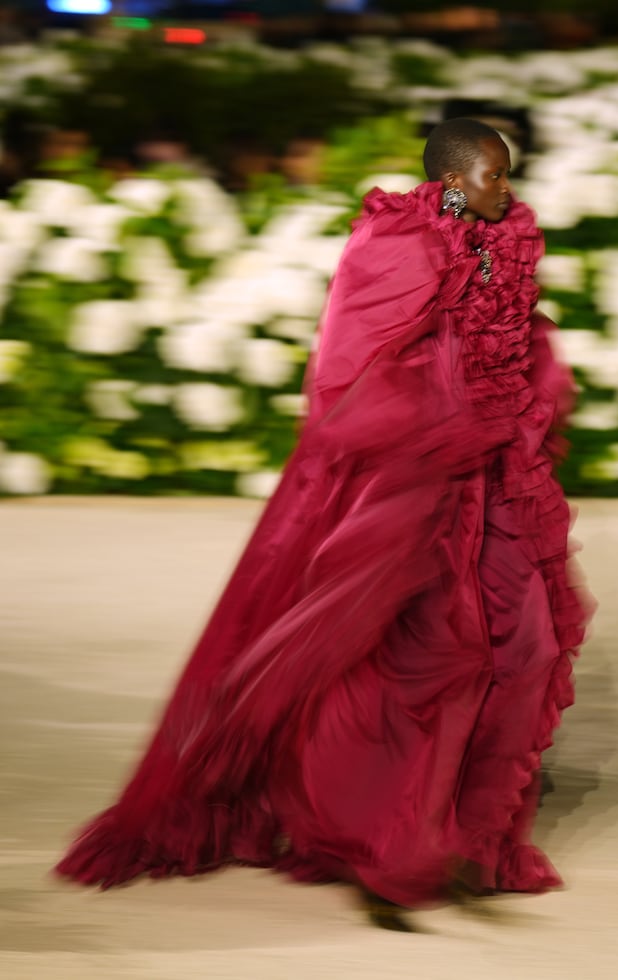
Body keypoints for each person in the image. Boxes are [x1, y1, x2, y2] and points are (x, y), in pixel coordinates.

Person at [55, 117, 590, 931]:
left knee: (527, 644)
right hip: (412, 483)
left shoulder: (504, 236)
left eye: (507, 175)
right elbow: (349, 364)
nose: (504, 189)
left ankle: (465, 835)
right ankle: (385, 844)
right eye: (491, 176)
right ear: (450, 179)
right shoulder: (398, 244)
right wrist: (442, 417)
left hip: (493, 481)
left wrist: (525, 393)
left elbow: (514, 341)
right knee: (423, 658)